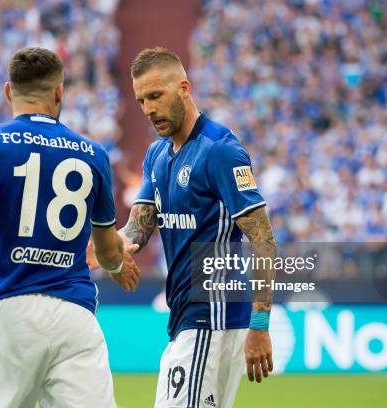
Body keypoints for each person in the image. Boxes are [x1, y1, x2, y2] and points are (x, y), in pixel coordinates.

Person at [0, 47, 140, 408]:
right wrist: (118, 264)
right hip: (75, 319)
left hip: (8, 315)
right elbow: (107, 251)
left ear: (8, 91)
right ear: (60, 92)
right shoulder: (94, 154)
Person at [120, 47, 277, 408]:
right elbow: (136, 230)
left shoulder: (219, 150)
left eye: (156, 96)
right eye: (141, 100)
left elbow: (263, 238)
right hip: (187, 320)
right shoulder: (157, 155)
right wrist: (107, 250)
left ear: (184, 87)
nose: (148, 109)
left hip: (211, 318)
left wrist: (260, 322)